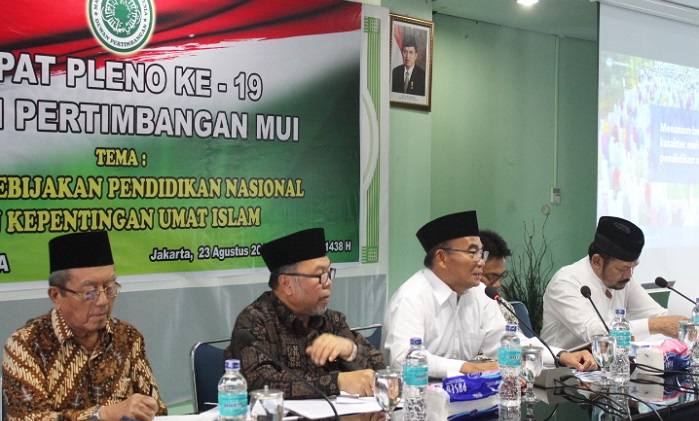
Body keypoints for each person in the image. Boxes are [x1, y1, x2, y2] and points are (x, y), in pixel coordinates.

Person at [383, 211, 596, 379]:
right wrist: (468, 367)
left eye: (481, 253)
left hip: (465, 400)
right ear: (441, 258)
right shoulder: (412, 297)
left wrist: (562, 355)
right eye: (472, 252)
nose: (481, 261)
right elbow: (404, 359)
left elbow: (509, 343)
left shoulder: (478, 294)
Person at [2, 231, 166, 421]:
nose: (103, 301)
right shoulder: (26, 345)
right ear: (56, 295)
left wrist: (150, 408)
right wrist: (104, 415)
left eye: (110, 288)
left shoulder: (127, 337)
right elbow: (29, 418)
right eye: (89, 292)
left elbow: (158, 410)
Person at [226, 228, 384, 399]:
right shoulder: (254, 321)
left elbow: (380, 369)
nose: (328, 282)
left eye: (329, 273)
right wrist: (336, 383)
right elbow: (260, 383)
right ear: (286, 284)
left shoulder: (332, 321)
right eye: (320, 275)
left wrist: (351, 351)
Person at [542, 216, 687, 349]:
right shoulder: (565, 282)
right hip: (562, 371)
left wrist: (687, 324)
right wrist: (654, 325)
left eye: (633, 267)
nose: (629, 275)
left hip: (608, 367)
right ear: (597, 261)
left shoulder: (624, 279)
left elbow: (659, 316)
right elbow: (596, 333)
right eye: (623, 268)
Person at [479, 229, 518, 327]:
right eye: (491, 276)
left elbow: (516, 341)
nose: (498, 284)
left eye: (501, 277)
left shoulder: (505, 308)